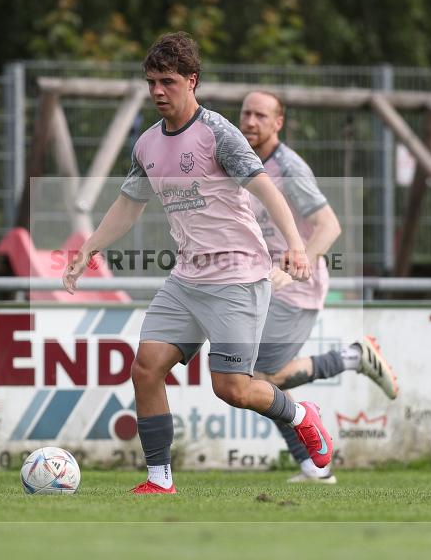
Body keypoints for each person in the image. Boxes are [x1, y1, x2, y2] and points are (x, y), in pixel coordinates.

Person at [63, 32, 333, 495]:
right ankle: (158, 479)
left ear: (193, 81)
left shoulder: (219, 134)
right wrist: (89, 248)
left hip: (238, 277)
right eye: (151, 82)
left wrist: (296, 247)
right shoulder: (147, 144)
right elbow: (129, 204)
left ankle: (302, 414)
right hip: (187, 276)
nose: (157, 91)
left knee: (233, 389)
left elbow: (268, 189)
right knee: (146, 367)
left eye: (167, 81)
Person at [239, 90, 399, 484]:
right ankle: (315, 466)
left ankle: (351, 357)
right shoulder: (241, 162)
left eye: (261, 115)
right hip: (261, 285)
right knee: (257, 385)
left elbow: (330, 226)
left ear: (279, 123)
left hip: (294, 288)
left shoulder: (289, 168)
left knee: (257, 381)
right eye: (246, 113)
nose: (251, 122)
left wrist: (294, 268)